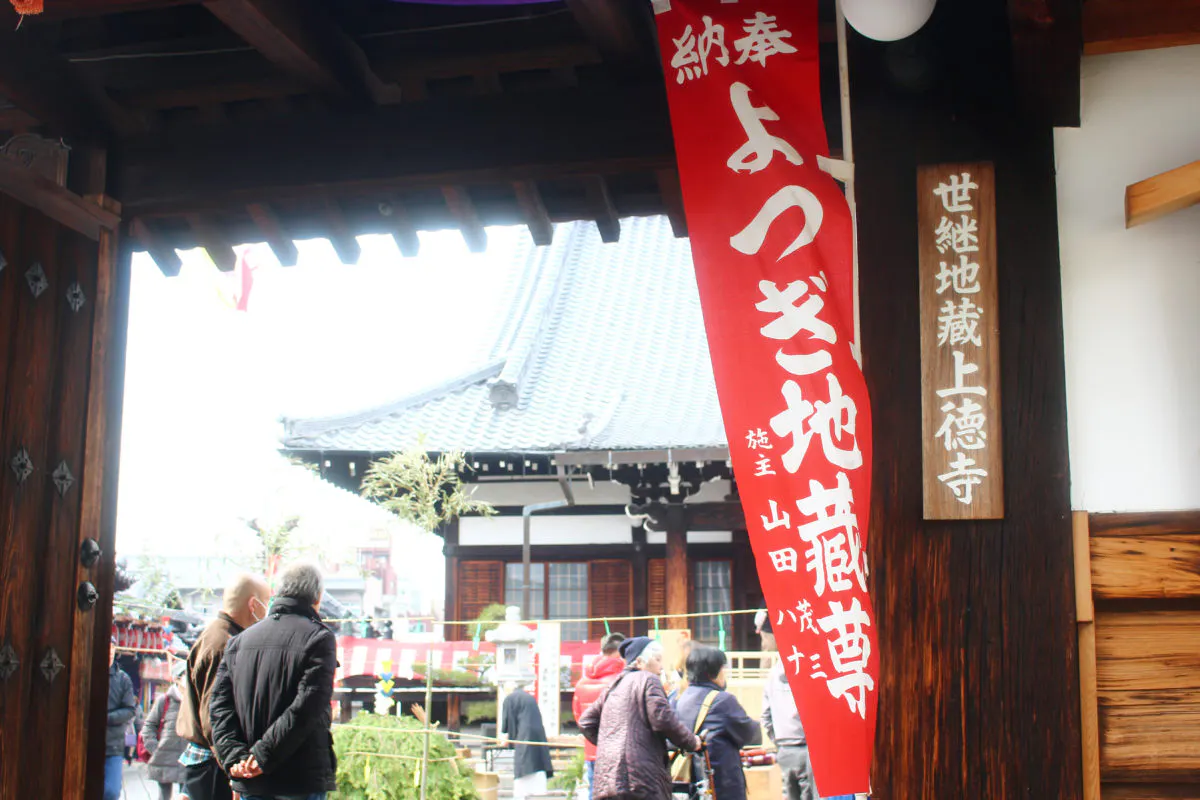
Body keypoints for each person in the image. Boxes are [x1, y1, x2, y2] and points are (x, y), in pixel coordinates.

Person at [209, 561, 338, 800]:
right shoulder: (319, 639)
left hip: (251, 779)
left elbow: (218, 707)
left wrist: (235, 758)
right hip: (299, 779)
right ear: (317, 597)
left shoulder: (239, 642)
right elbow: (307, 708)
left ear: (277, 593)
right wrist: (261, 756)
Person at [177, 573, 271, 800]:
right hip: (213, 763)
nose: (267, 611)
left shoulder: (223, 635)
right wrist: (232, 768)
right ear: (253, 604)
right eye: (266, 604)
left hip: (213, 759)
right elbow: (214, 714)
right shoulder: (222, 643)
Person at [578, 636, 701, 800]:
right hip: (640, 779)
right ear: (639, 662)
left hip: (608, 779)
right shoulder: (648, 679)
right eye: (657, 660)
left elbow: (586, 722)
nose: (661, 667)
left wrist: (611, 743)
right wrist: (692, 742)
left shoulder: (615, 684)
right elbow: (663, 719)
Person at [675, 646, 761, 800]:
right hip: (720, 779)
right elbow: (748, 733)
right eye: (723, 668)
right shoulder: (721, 700)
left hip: (692, 779)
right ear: (713, 672)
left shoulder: (682, 698)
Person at [760, 623, 816, 800]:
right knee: (808, 795)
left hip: (785, 746)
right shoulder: (811, 670)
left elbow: (766, 717)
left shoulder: (773, 674)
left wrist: (778, 740)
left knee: (789, 794)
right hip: (807, 746)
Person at [572, 632, 625, 798]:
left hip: (592, 748)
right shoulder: (622, 680)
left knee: (594, 791)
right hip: (619, 750)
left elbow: (579, 717)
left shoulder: (582, 682)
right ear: (620, 652)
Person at [143, 658, 190, 800]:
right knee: (164, 797)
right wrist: (155, 748)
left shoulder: (195, 702)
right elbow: (149, 727)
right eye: (187, 675)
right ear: (177, 679)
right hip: (164, 758)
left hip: (187, 760)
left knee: (186, 795)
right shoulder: (165, 701)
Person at [501, 681, 554, 800]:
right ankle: (537, 792)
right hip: (538, 732)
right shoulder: (529, 697)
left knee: (524, 761)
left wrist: (508, 737)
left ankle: (522, 793)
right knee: (537, 758)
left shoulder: (510, 698)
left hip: (524, 733)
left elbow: (508, 721)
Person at [106, 638, 138, 800]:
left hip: (113, 745)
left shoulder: (122, 679)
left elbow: (130, 710)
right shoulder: (88, 672)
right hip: (86, 742)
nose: (109, 651)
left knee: (111, 791)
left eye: (112, 648)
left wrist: (107, 718)